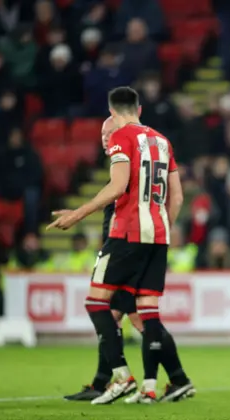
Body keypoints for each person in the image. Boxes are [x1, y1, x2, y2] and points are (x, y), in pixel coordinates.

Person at [47, 87, 194, 405]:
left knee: (97, 304)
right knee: (144, 313)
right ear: (139, 109)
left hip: (127, 234)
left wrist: (77, 214)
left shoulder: (122, 137)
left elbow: (117, 186)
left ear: (113, 113)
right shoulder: (162, 141)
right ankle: (163, 381)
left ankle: (122, 376)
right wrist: (161, 225)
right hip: (157, 235)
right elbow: (178, 196)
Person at [63, 117, 144, 402]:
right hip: (124, 247)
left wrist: (77, 214)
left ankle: (135, 380)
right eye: (101, 133)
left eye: (109, 132)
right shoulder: (124, 166)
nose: (104, 137)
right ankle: (162, 380)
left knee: (109, 310)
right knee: (126, 316)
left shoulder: (125, 168)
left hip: (122, 249)